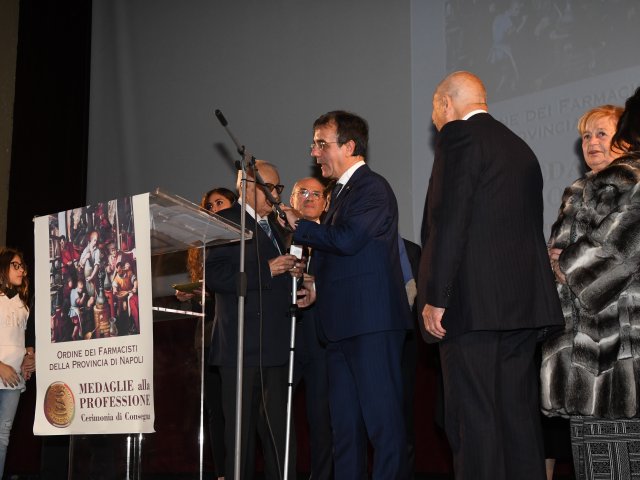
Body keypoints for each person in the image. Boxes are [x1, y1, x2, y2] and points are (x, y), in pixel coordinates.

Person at [417, 71, 563, 480]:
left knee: (473, 418)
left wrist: (437, 296)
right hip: (520, 309)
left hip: (472, 307)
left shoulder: (459, 137)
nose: (434, 120)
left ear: (446, 103)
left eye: (434, 110)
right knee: (517, 419)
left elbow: (450, 221)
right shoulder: (518, 145)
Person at [281, 111, 412, 479]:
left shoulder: (372, 188)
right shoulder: (339, 194)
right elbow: (344, 254)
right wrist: (316, 286)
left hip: (371, 325)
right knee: (345, 432)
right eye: (314, 145)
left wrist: (299, 224)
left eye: (322, 144)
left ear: (350, 146)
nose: (314, 152)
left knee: (383, 428)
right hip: (340, 329)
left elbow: (348, 240)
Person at [541, 92, 640, 480]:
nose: (592, 142)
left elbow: (614, 253)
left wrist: (563, 264)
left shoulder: (631, 181)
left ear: (625, 138)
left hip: (618, 349)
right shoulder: (577, 190)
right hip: (579, 350)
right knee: (590, 462)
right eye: (586, 136)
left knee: (621, 461)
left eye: (602, 133)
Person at [205, 161, 302, 480]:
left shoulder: (275, 226)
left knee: (280, 440)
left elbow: (276, 274)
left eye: (278, 188)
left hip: (275, 347)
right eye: (270, 188)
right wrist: (268, 270)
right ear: (246, 187)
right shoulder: (225, 221)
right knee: (241, 442)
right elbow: (214, 275)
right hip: (241, 349)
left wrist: (295, 278)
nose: (276, 196)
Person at [176, 187, 236, 480]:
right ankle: (222, 473)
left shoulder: (242, 241)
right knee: (214, 409)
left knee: (235, 406)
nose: (214, 209)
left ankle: (238, 468)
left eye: (220, 203)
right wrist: (192, 295)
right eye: (209, 206)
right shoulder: (200, 246)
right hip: (208, 337)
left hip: (234, 335)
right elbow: (206, 297)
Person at [289, 177, 334, 480]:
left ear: (326, 203)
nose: (309, 197)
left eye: (316, 193)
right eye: (302, 192)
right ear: (292, 200)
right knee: (276, 417)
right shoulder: (275, 236)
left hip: (320, 340)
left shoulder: (332, 238)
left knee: (321, 419)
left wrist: (315, 282)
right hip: (283, 337)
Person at [0, 248, 35, 476]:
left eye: (22, 266)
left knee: (3, 435)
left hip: (14, 379)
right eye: (15, 265)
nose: (21, 269)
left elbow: (24, 342)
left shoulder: (24, 306)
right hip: (1, 370)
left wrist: (28, 359)